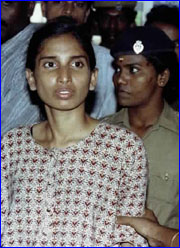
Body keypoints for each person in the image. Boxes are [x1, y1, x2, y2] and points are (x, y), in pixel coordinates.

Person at [1, 17, 148, 247]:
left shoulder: (123, 148)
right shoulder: (11, 145)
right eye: (50, 64)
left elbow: (129, 239)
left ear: (93, 78)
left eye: (77, 64)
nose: (64, 77)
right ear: (31, 79)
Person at [103, 26, 179, 246]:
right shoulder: (100, 134)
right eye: (118, 70)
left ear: (162, 77)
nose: (121, 80)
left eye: (133, 70)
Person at [1, 1, 117, 136]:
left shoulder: (107, 62)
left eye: (79, 5)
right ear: (43, 8)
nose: (68, 11)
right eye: (58, 2)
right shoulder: (28, 54)